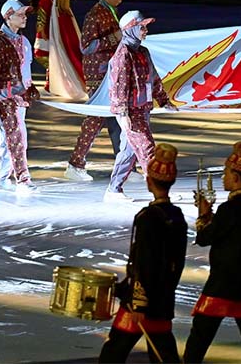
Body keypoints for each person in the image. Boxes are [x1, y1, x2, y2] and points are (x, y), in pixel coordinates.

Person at [184, 140, 241, 364]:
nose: (223, 177)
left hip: (224, 282)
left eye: (225, 173)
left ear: (235, 177)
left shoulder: (229, 208)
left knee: (201, 333)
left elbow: (205, 238)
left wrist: (204, 214)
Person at [99, 143, 187, 363]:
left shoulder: (148, 217)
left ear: (149, 181)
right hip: (164, 298)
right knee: (163, 354)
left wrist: (139, 301)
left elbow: (145, 262)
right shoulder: (177, 216)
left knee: (113, 354)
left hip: (141, 303)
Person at [105, 11, 177, 202]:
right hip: (130, 111)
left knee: (129, 151)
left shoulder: (143, 52)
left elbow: (153, 79)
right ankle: (159, 192)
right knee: (147, 149)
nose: (145, 31)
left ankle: (113, 190)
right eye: (142, 27)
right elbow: (118, 84)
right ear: (130, 29)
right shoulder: (123, 55)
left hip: (143, 108)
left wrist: (163, 100)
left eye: (145, 27)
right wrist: (122, 112)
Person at [64, 0, 131, 182]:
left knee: (117, 120)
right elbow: (86, 47)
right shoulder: (95, 15)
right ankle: (75, 164)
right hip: (99, 75)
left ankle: (125, 167)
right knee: (96, 118)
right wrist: (115, 37)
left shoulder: (111, 12)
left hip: (111, 74)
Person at [0, 0, 41, 196]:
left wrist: (30, 88)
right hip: (5, 98)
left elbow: (25, 70)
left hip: (20, 97)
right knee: (17, 137)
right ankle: (23, 179)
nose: (24, 17)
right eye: (20, 14)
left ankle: (1, 180)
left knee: (8, 140)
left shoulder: (23, 41)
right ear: (9, 16)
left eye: (25, 14)